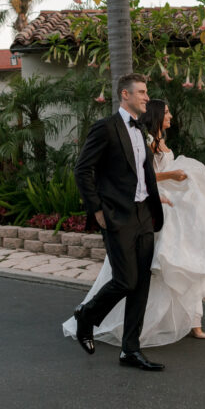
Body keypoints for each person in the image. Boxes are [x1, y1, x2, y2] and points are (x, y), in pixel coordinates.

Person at [63, 98, 205, 348]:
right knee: (134, 277)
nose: (171, 115)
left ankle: (149, 340)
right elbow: (131, 174)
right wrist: (97, 209)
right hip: (137, 210)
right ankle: (94, 317)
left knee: (159, 274)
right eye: (166, 112)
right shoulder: (130, 135)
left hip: (157, 209)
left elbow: (147, 177)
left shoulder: (149, 137)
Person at [68, 73, 166, 371]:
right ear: (125, 95)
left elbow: (143, 173)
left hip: (143, 215)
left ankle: (130, 350)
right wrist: (97, 210)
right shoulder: (106, 128)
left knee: (141, 284)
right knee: (126, 280)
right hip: (117, 216)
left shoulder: (142, 130)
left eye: (146, 92)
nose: (146, 97)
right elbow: (82, 170)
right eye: (142, 92)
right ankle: (86, 315)